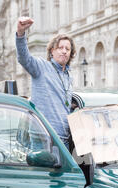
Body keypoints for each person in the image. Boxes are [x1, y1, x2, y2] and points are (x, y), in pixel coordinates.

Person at [15, 16, 76, 149]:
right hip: (42, 137)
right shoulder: (41, 67)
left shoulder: (68, 77)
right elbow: (24, 58)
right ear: (52, 50)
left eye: (68, 49)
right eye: (60, 47)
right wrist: (20, 34)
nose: (64, 51)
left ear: (71, 54)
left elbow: (63, 106)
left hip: (63, 139)